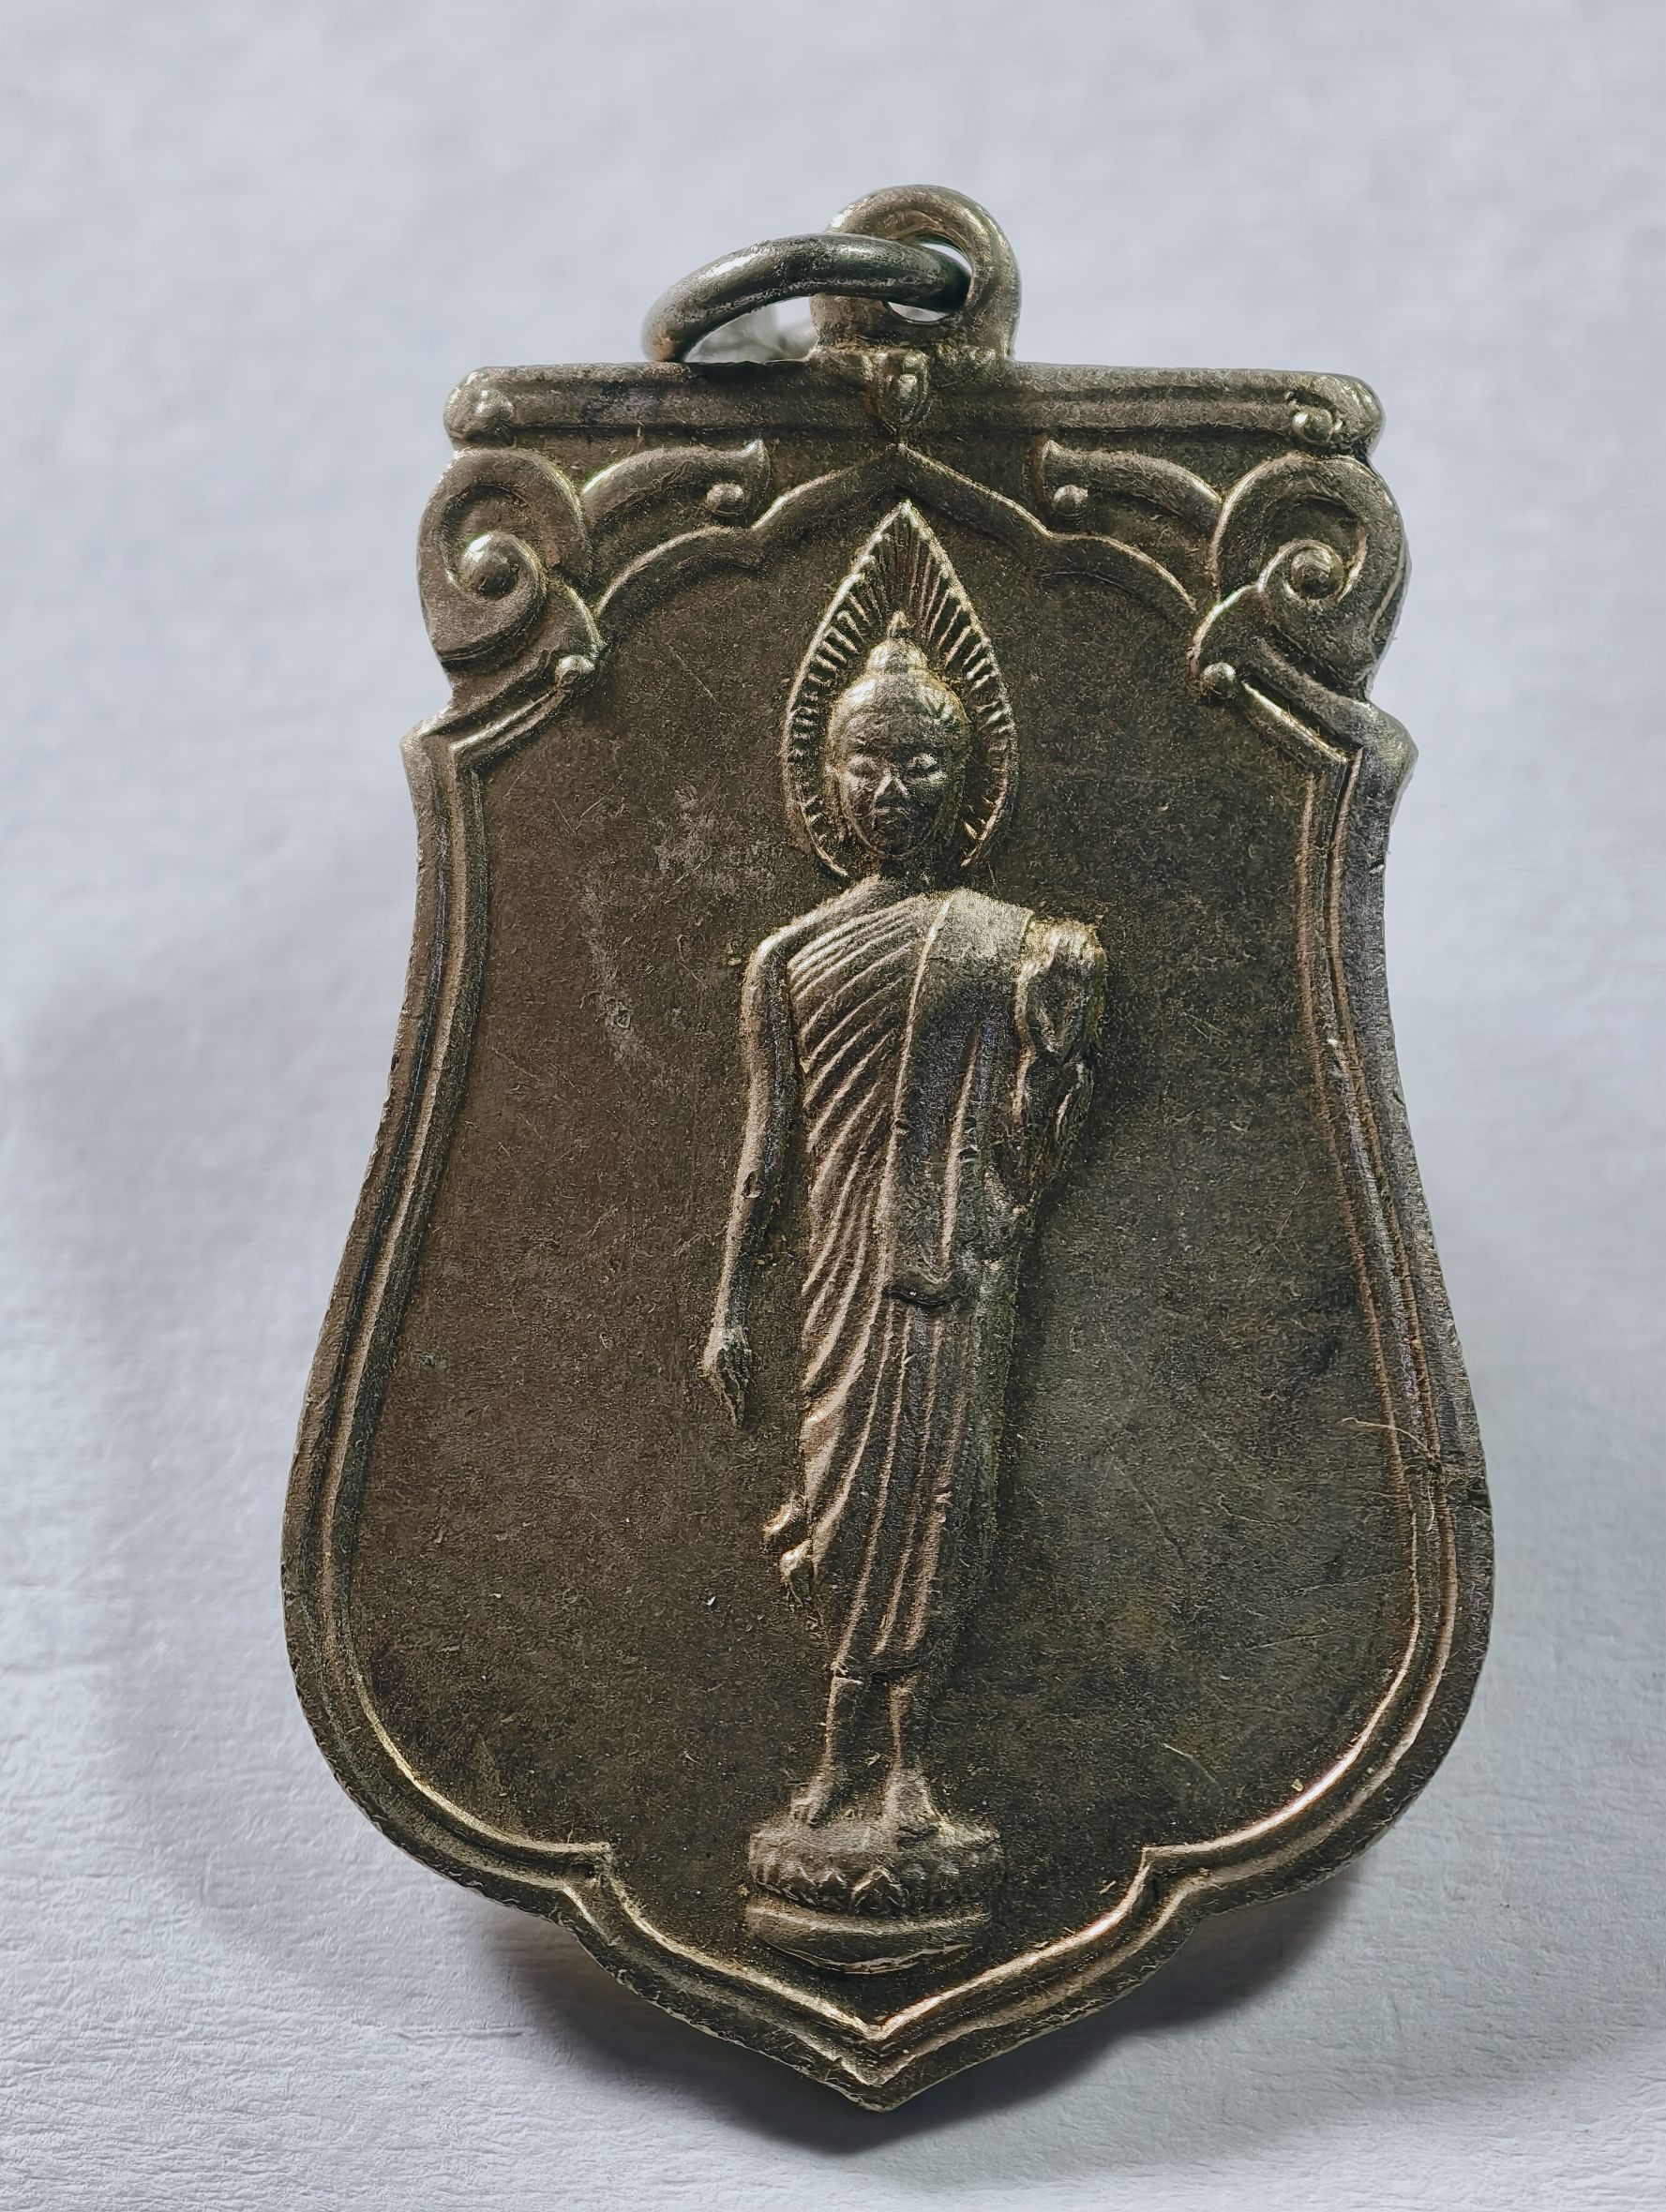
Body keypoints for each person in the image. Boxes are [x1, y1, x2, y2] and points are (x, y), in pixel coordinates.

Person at [703, 613, 1104, 1849]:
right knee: (843, 1509)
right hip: (839, 1275)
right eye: (865, 765)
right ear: (823, 783)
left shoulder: (1007, 943)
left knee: (938, 1507)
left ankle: (911, 1765)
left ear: (964, 782)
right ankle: (838, 1760)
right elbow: (766, 1151)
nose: (892, 792)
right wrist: (727, 1306)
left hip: (953, 1273)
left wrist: (1056, 1049)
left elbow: (1031, 1160)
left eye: (921, 765)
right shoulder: (788, 957)